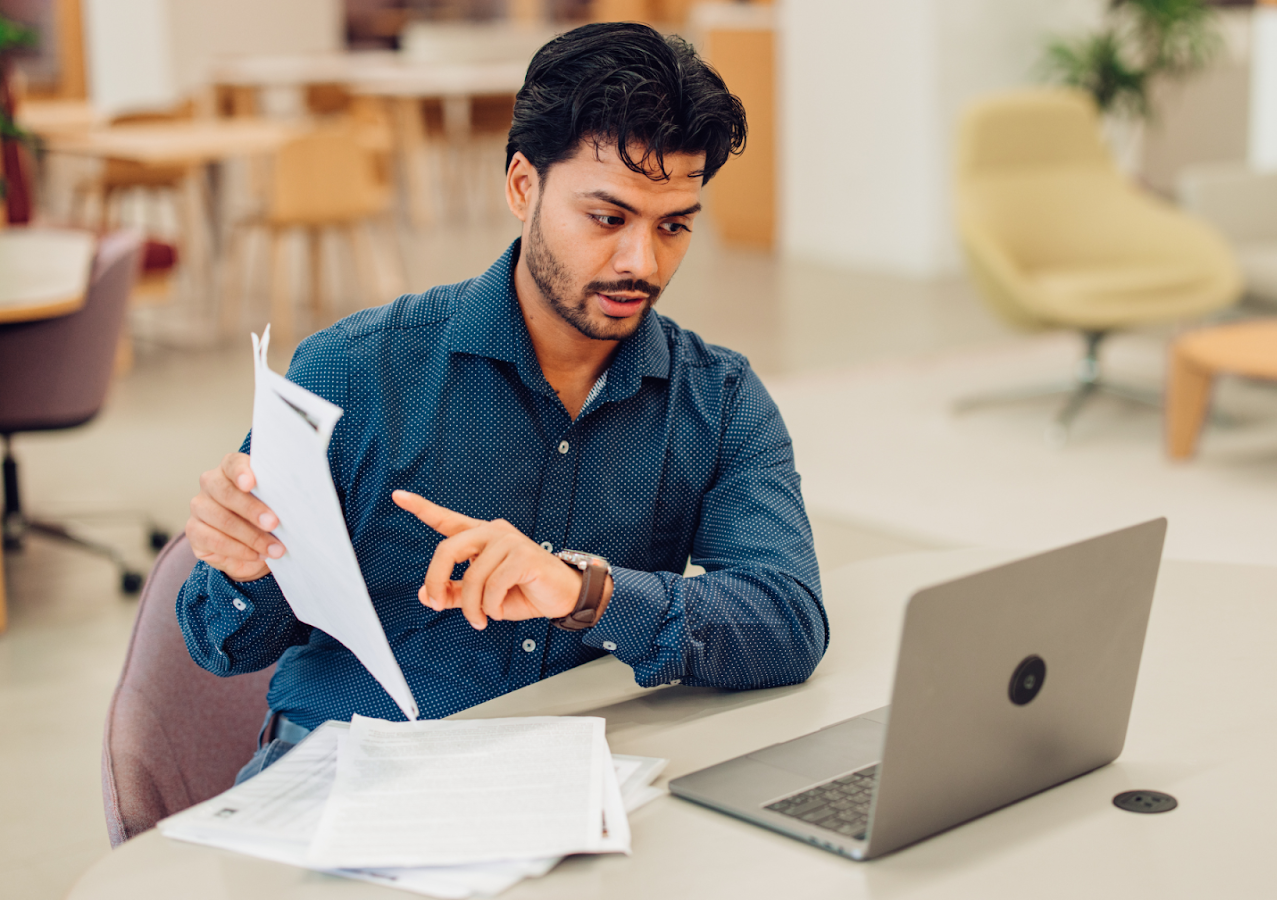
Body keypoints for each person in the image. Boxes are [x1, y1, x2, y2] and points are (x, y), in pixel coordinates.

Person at [177, 23, 827, 777]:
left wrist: (588, 591)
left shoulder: (718, 399)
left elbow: (788, 619)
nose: (641, 262)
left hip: (563, 783)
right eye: (608, 218)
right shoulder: (351, 373)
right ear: (524, 186)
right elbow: (220, 645)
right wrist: (240, 567)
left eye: (674, 226)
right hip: (344, 773)